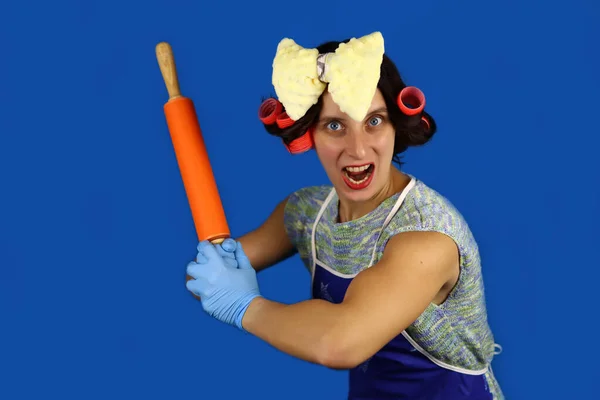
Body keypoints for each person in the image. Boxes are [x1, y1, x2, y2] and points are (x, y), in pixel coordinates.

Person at [185, 31, 504, 399]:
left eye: (374, 121)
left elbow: (341, 342)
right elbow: (210, 277)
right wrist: (216, 266)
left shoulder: (427, 238)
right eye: (335, 125)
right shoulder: (307, 213)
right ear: (309, 135)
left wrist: (244, 306)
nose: (357, 148)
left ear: (395, 126)